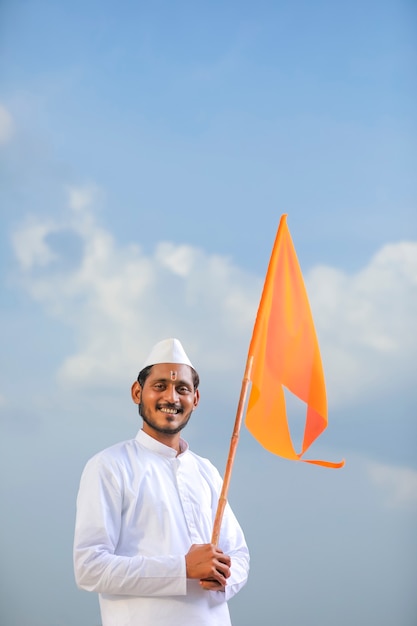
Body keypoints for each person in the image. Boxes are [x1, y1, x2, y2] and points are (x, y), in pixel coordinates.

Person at [73, 337, 249, 626]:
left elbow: (238, 555)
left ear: (196, 398)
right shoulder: (109, 466)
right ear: (137, 392)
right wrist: (181, 569)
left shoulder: (206, 471)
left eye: (182, 388)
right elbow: (89, 568)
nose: (172, 398)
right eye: (160, 387)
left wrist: (224, 576)